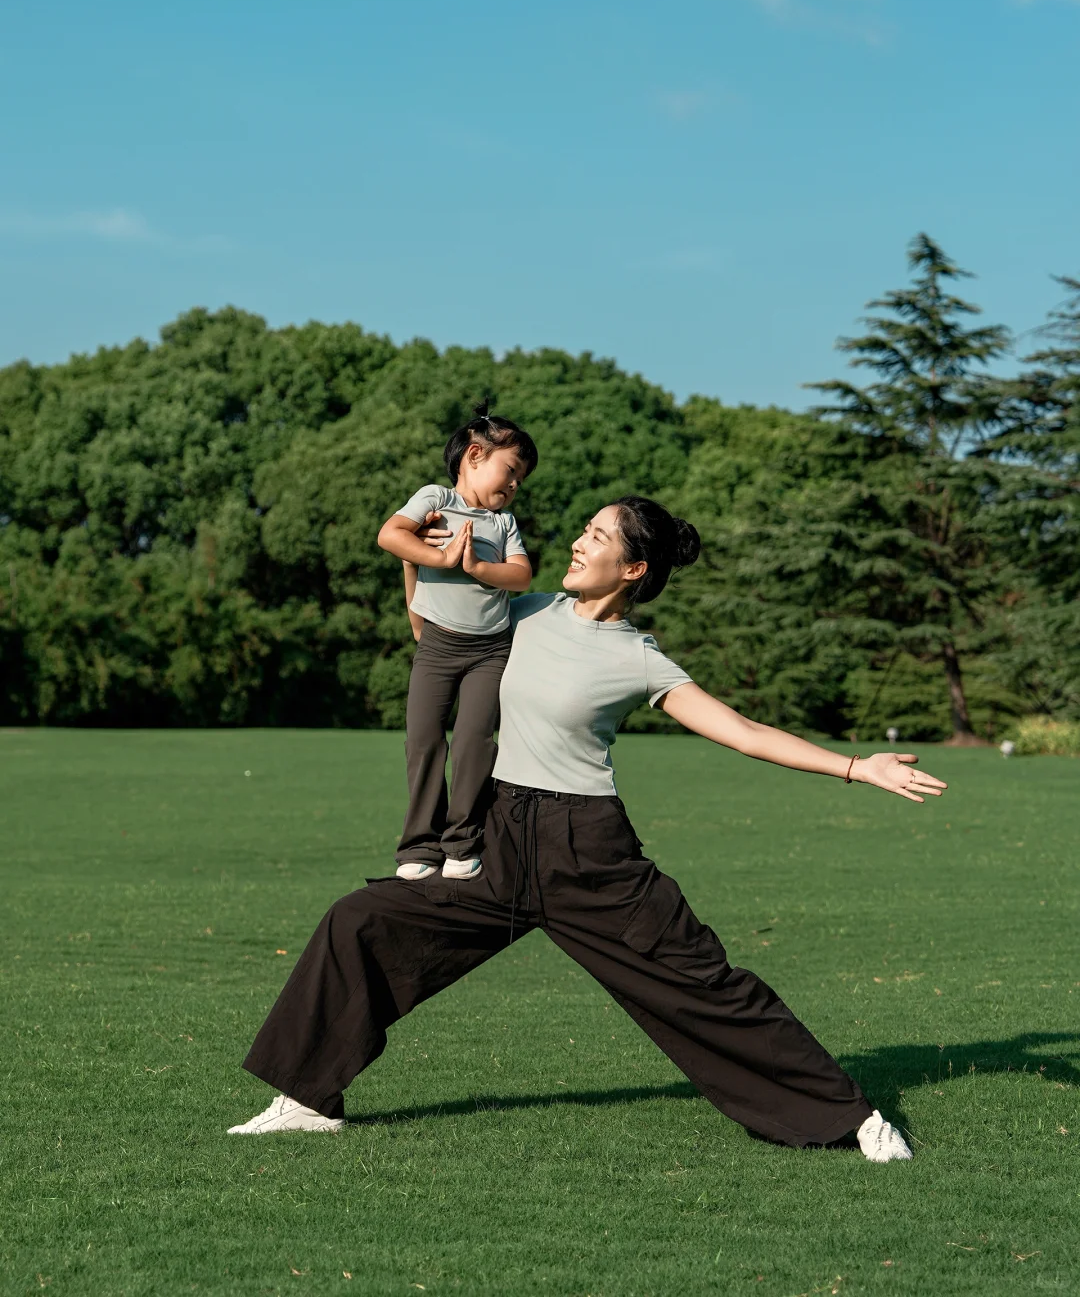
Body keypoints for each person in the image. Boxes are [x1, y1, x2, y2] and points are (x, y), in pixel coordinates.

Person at [230, 496, 946, 1161]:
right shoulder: (522, 612)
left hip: (589, 852)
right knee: (361, 921)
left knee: (701, 982)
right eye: (584, 530)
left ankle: (847, 1115)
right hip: (493, 835)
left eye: (597, 537)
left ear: (632, 568)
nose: (577, 543)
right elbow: (431, 629)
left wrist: (856, 767)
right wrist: (422, 558)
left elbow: (742, 732)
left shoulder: (639, 657)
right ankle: (307, 1100)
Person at [376, 404, 538, 880]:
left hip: (490, 651)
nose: (512, 487)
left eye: (519, 482)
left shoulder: (504, 525)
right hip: (438, 647)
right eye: (510, 471)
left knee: (474, 742)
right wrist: (440, 557)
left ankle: (462, 843)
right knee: (424, 742)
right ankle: (418, 848)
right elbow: (390, 535)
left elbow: (523, 576)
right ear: (474, 455)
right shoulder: (434, 498)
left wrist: (478, 569)